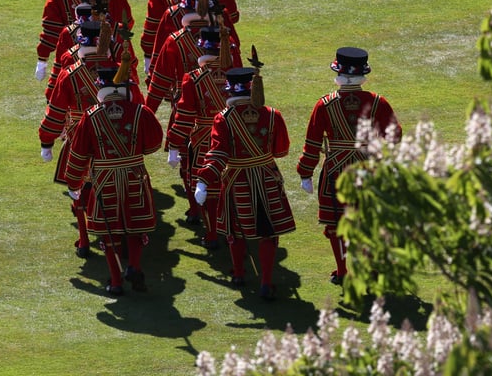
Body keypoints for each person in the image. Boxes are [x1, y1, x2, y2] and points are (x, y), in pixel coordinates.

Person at [296, 47, 401, 286]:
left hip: (336, 170)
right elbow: (394, 134)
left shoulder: (324, 105)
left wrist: (305, 173)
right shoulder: (377, 102)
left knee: (336, 223)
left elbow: (312, 142)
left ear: (338, 73)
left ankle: (342, 270)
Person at [39, 23, 143, 259]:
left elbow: (56, 111)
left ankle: (84, 239)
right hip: (120, 138)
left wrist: (47, 141)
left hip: (81, 136)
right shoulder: (121, 71)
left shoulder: (69, 74)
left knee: (80, 190)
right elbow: (137, 105)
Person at [195, 67, 296, 300]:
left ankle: (239, 273)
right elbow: (281, 150)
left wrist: (203, 179)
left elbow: (217, 153)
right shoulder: (272, 114)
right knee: (268, 232)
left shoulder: (223, 118)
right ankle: (266, 281)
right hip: (266, 176)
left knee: (234, 230)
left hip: (237, 179)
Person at [64, 67, 164, 296]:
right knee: (136, 226)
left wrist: (73, 183)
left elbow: (78, 154)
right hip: (134, 175)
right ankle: (134, 266)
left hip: (105, 178)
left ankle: (117, 281)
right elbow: (153, 144)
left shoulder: (90, 116)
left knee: (109, 232)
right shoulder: (140, 111)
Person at [166, 27, 231, 244]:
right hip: (235, 135)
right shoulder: (237, 73)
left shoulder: (192, 78)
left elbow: (184, 117)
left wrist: (174, 144)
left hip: (206, 138)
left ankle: (212, 234)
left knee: (207, 187)